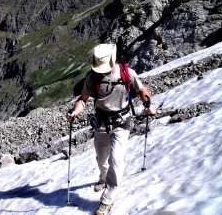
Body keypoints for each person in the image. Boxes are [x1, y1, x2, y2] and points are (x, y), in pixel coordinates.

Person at [67, 43, 156, 215]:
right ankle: (103, 178)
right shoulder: (92, 78)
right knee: (102, 159)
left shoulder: (127, 73)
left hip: (122, 122)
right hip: (101, 122)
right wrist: (74, 111)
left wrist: (148, 105)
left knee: (116, 159)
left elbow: (142, 90)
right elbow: (83, 99)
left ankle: (108, 197)